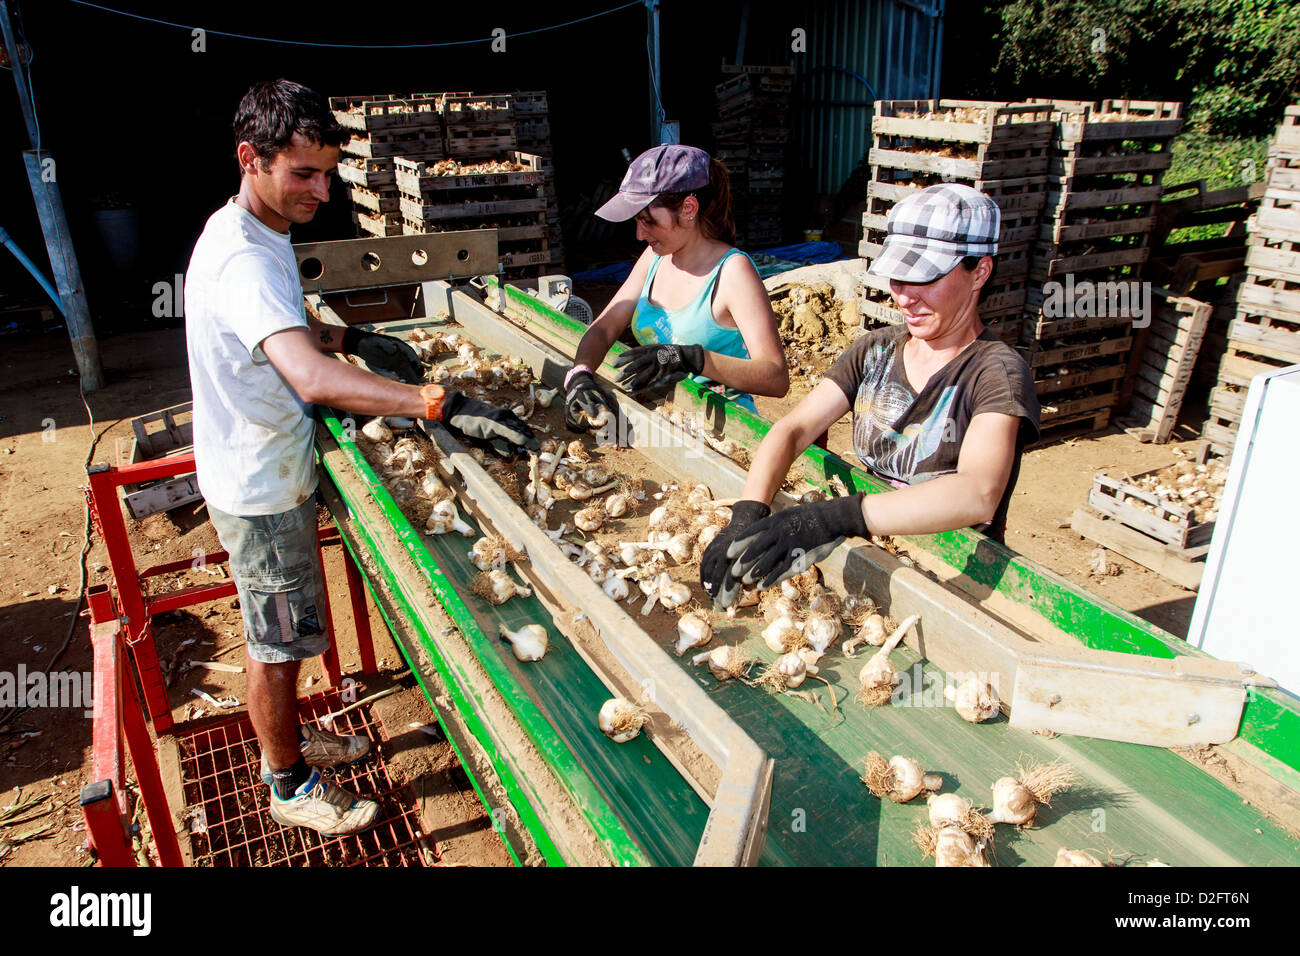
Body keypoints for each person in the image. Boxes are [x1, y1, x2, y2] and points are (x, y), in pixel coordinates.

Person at [185, 79, 537, 836]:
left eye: (328, 171)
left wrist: (350, 338)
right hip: (259, 488)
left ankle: (286, 739)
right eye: (302, 174)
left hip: (266, 465)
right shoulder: (241, 259)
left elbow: (290, 333)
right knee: (276, 640)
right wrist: (436, 404)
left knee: (284, 630)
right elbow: (306, 379)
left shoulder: (255, 231)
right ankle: (287, 783)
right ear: (250, 158)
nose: (322, 189)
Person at [701, 184, 1041, 609]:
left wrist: (839, 517)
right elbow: (793, 428)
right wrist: (747, 513)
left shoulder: (996, 373)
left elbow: (977, 492)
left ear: (980, 272)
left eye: (927, 278)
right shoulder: (876, 349)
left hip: (948, 576)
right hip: (873, 553)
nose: (904, 295)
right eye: (899, 277)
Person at [562, 144, 789, 434]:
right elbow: (605, 327)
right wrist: (580, 374)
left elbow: (776, 377)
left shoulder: (732, 272)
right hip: (664, 419)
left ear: (688, 209)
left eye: (648, 221)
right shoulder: (654, 258)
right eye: (637, 221)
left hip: (720, 432)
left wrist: (690, 357)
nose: (640, 234)